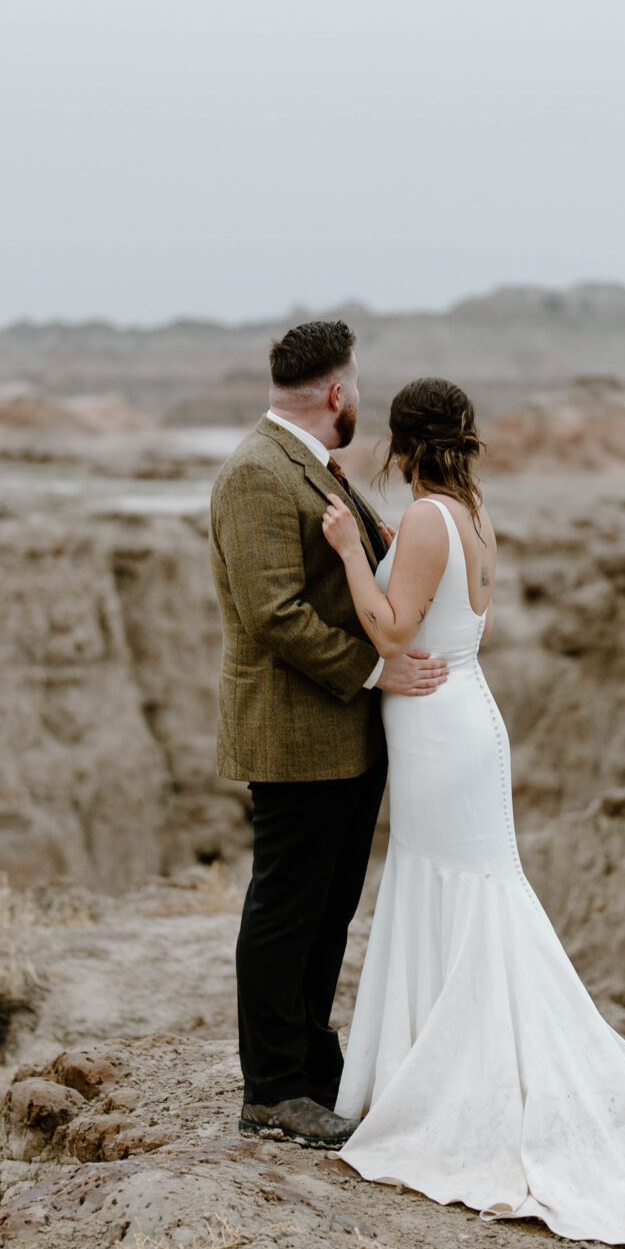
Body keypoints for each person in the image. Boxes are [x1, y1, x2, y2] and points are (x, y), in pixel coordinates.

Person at [316, 376, 625, 1249]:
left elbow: (393, 626)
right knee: (474, 886)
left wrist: (346, 554)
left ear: (404, 442)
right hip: (471, 714)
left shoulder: (423, 522)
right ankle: (426, 1058)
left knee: (449, 883)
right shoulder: (477, 515)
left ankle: (445, 1079)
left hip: (438, 721)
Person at [206, 320, 447, 1149]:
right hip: (294, 734)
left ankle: (312, 1064)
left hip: (341, 736)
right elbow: (274, 615)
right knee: (285, 909)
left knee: (328, 909)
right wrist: (378, 672)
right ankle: (271, 1087)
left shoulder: (311, 467)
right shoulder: (255, 474)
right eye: (359, 386)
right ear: (338, 392)